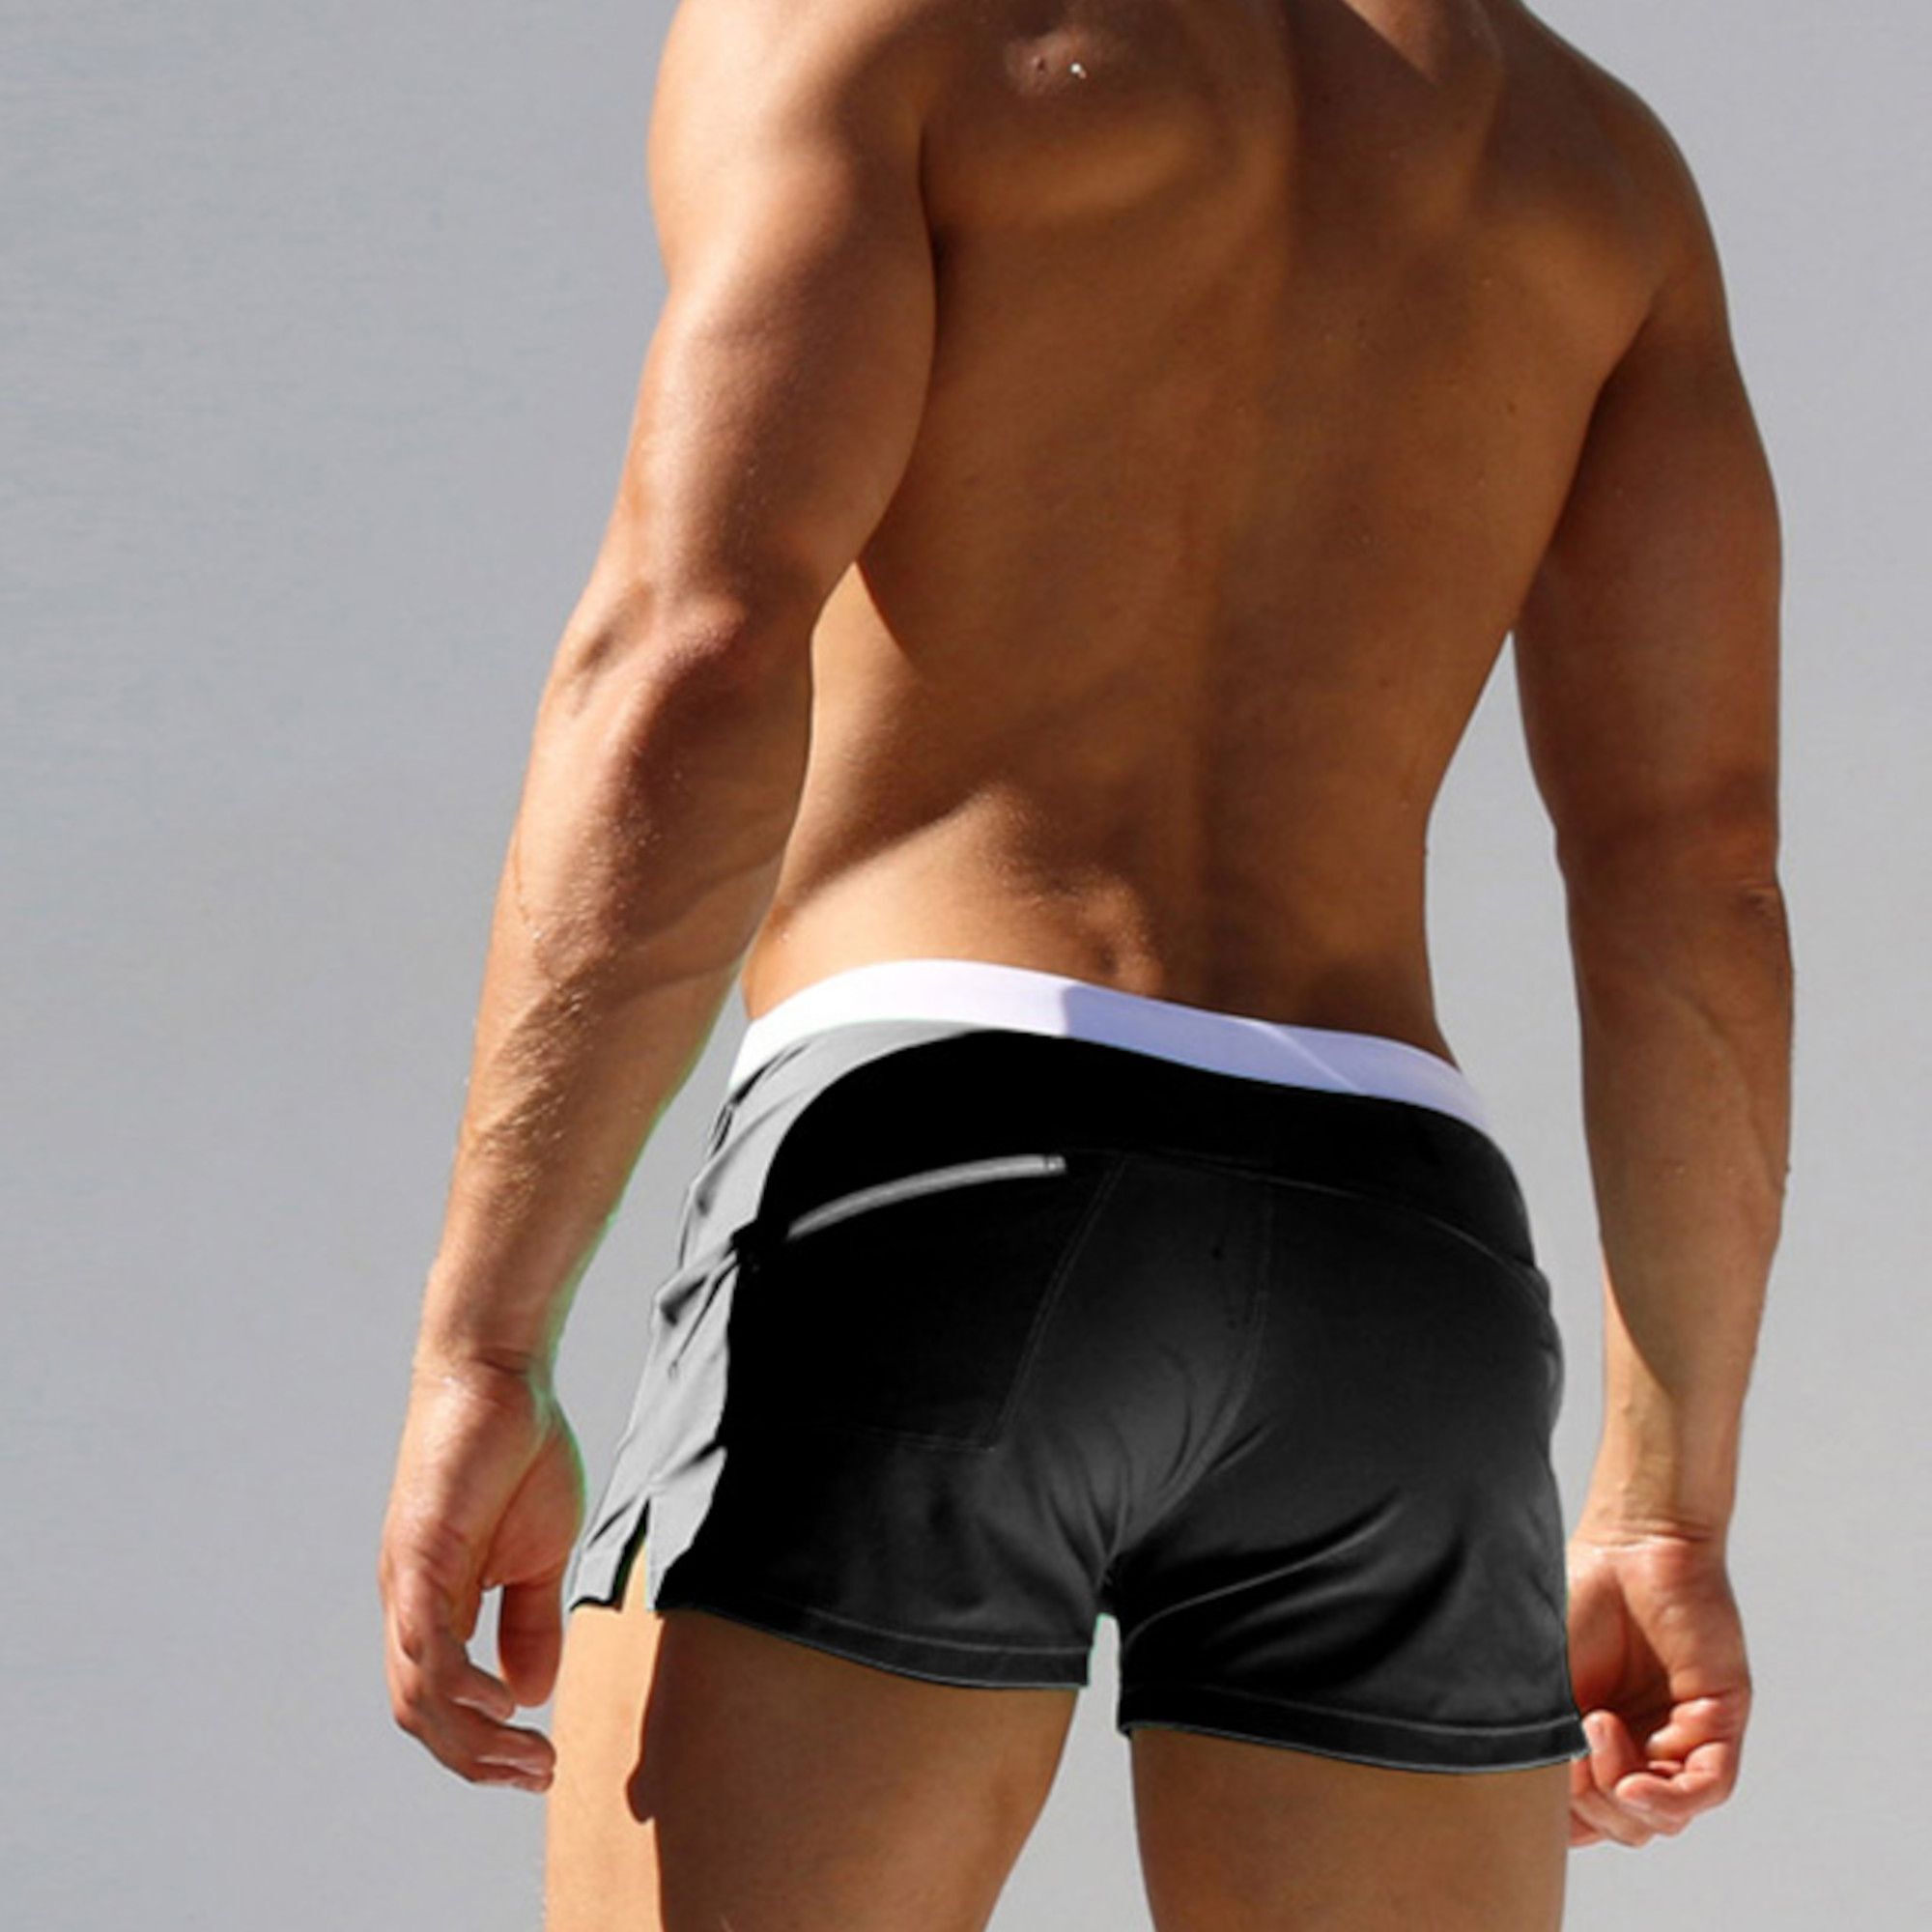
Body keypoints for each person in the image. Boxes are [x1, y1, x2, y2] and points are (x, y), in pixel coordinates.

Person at [377, 0, 1791, 1925]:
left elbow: (691, 652)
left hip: (938, 1159)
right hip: (1397, 1252)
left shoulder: (874, 27)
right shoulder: (1595, 166)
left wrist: (483, 1340)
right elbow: (1695, 870)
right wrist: (1665, 1503)